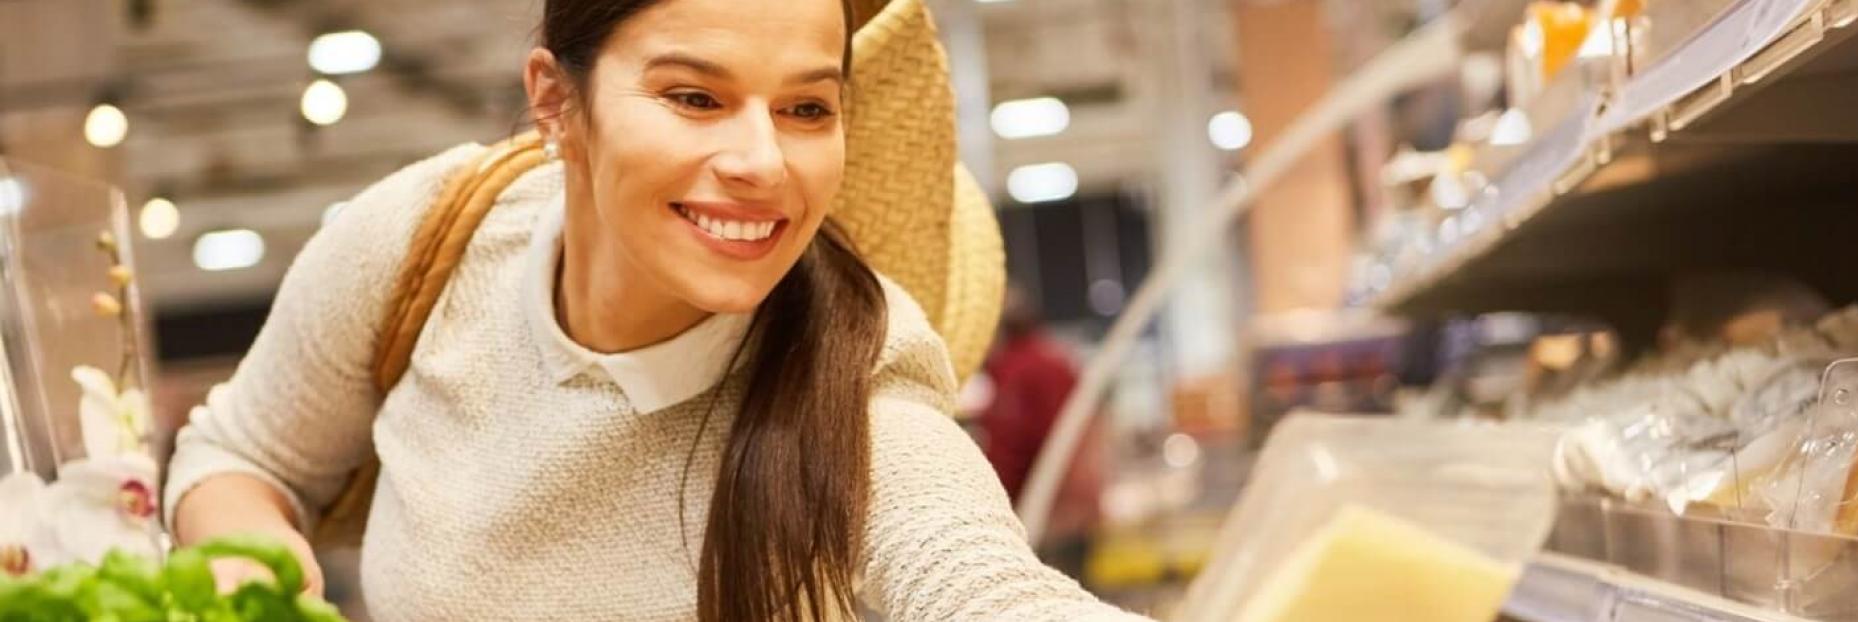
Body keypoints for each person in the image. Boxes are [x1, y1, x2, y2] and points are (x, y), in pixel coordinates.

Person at [161, 0, 1150, 620]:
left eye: (807, 108)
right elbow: (240, 453)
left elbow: (983, 586)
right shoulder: (432, 240)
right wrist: (247, 556)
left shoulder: (858, 373)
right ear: (555, 99)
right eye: (695, 97)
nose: (763, 162)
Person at [979, 288, 1105, 584]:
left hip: (1047, 520)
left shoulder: (1019, 373)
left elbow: (1009, 451)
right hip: (1073, 517)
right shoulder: (1056, 361)